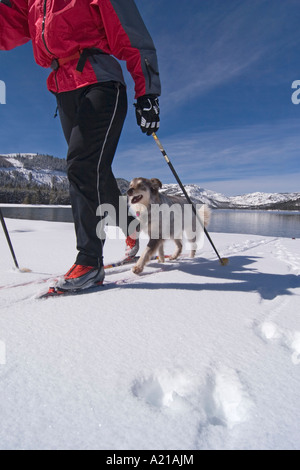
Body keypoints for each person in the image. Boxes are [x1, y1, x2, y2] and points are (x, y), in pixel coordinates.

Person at [0, 0, 161, 292]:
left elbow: (131, 35)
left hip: (101, 82)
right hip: (64, 89)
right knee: (94, 172)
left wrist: (147, 91)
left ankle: (89, 261)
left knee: (82, 166)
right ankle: (130, 228)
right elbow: (7, 28)